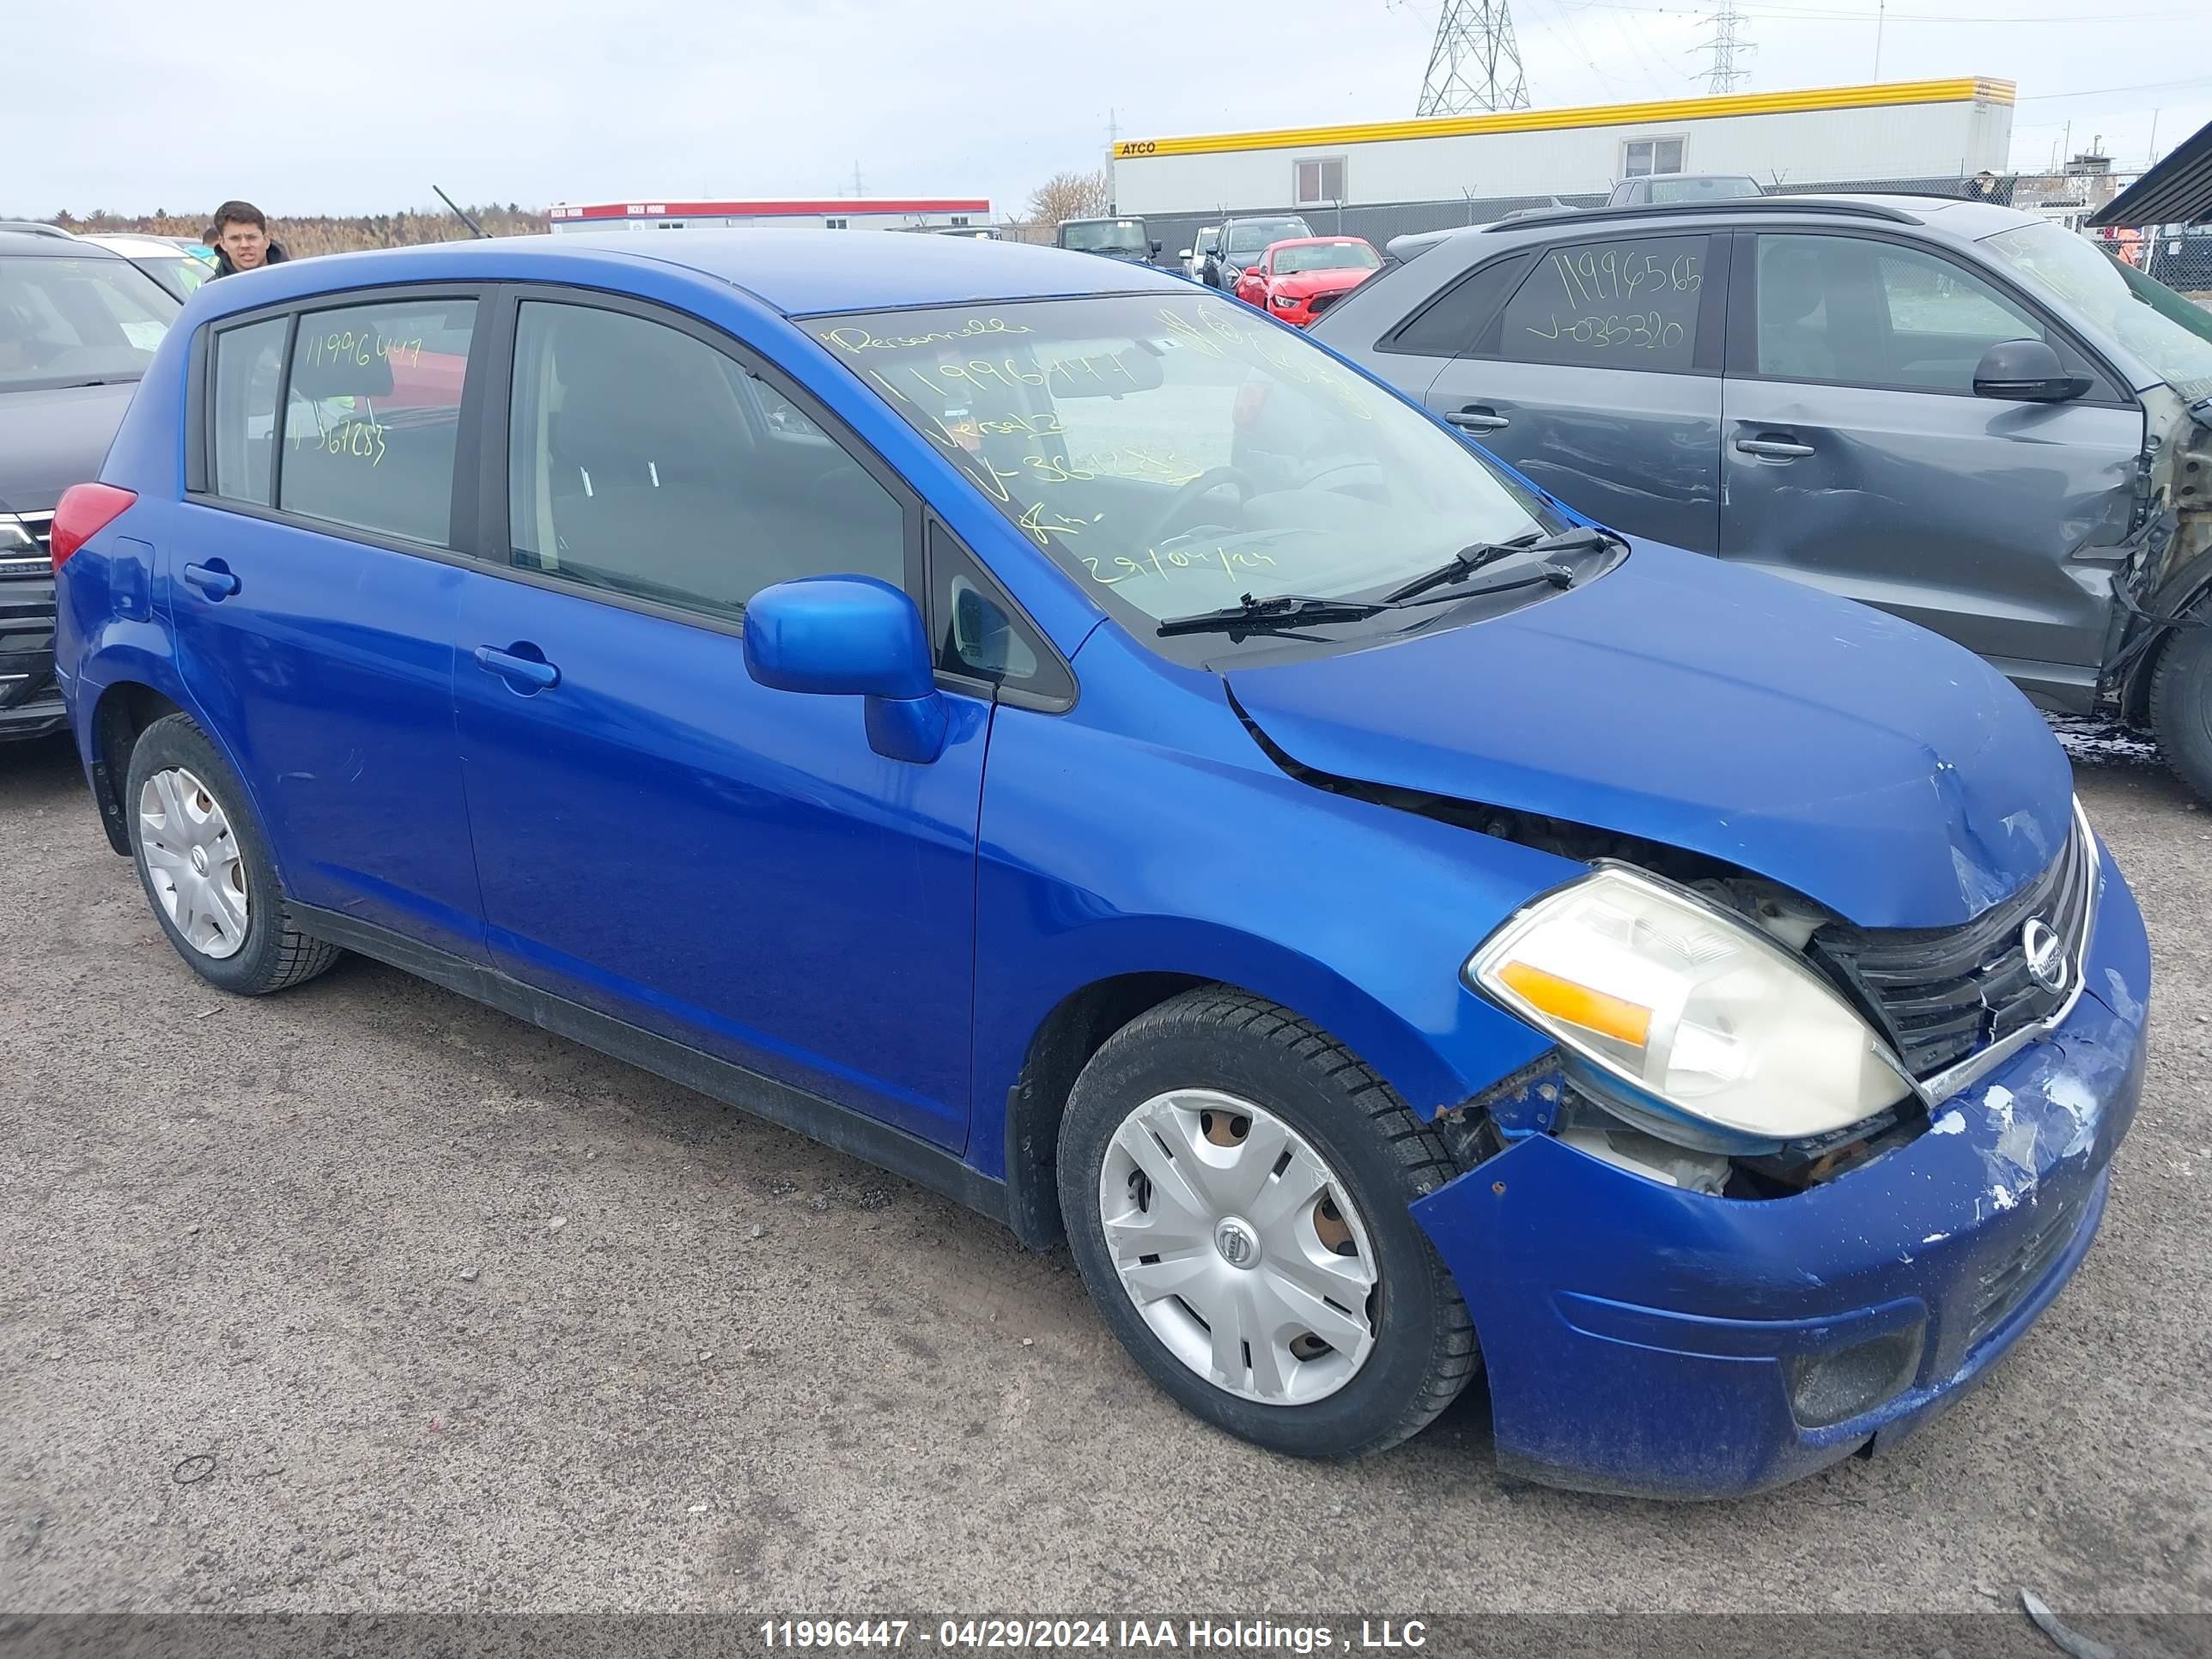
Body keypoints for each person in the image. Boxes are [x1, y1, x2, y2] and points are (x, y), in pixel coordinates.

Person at [206, 200, 289, 279]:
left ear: (266, 240)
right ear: (222, 243)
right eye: (235, 239)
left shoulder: (295, 280)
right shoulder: (211, 291)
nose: (244, 245)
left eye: (252, 237)